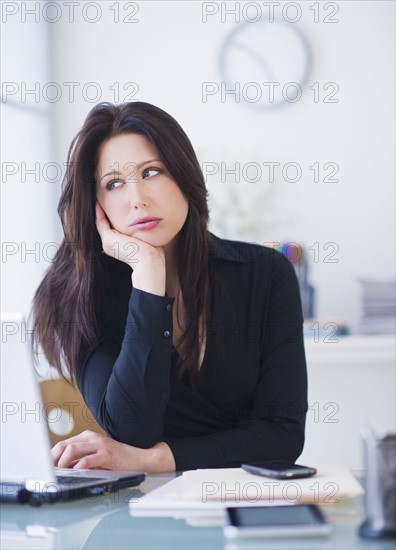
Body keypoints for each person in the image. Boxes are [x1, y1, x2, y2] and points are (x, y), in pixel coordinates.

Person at [32, 101, 308, 473]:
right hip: (136, 509)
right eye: (113, 184)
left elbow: (282, 436)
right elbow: (133, 428)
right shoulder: (76, 295)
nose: (137, 199)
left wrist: (156, 460)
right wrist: (148, 274)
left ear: (184, 175)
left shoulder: (265, 274)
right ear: (96, 204)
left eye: (152, 172)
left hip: (242, 501)